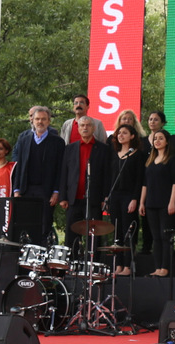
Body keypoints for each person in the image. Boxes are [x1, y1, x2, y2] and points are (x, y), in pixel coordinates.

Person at [13, 106, 66, 245]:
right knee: (26, 225)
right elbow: (19, 166)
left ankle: (42, 256)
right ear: (32, 121)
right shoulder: (24, 140)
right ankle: (27, 256)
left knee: (44, 226)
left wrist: (56, 191)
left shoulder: (58, 142)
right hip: (26, 190)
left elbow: (60, 169)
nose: (40, 122)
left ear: (49, 121)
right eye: (37, 119)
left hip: (46, 191)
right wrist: (16, 190)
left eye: (43, 119)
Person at [57, 116, 111, 255]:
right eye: (82, 125)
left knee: (94, 234)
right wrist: (63, 197)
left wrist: (105, 198)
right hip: (73, 198)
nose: (85, 128)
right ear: (78, 129)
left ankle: (94, 263)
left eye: (88, 125)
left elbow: (106, 175)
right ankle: (72, 262)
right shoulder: (70, 148)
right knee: (71, 234)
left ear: (94, 128)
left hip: (94, 199)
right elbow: (64, 173)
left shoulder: (103, 149)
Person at [139, 130, 175, 277]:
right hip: (151, 203)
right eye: (155, 138)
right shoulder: (150, 160)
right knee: (155, 237)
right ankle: (157, 268)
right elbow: (145, 184)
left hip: (165, 203)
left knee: (165, 236)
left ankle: (165, 268)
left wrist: (172, 202)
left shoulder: (172, 159)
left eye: (160, 138)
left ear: (167, 141)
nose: (157, 141)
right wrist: (142, 203)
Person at [107, 123, 146, 275]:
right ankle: (118, 265)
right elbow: (109, 177)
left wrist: (135, 199)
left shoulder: (137, 155)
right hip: (115, 196)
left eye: (124, 133)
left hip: (129, 196)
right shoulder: (114, 153)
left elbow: (139, 179)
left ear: (132, 136)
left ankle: (128, 266)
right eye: (119, 133)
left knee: (128, 231)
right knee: (116, 230)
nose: (120, 135)